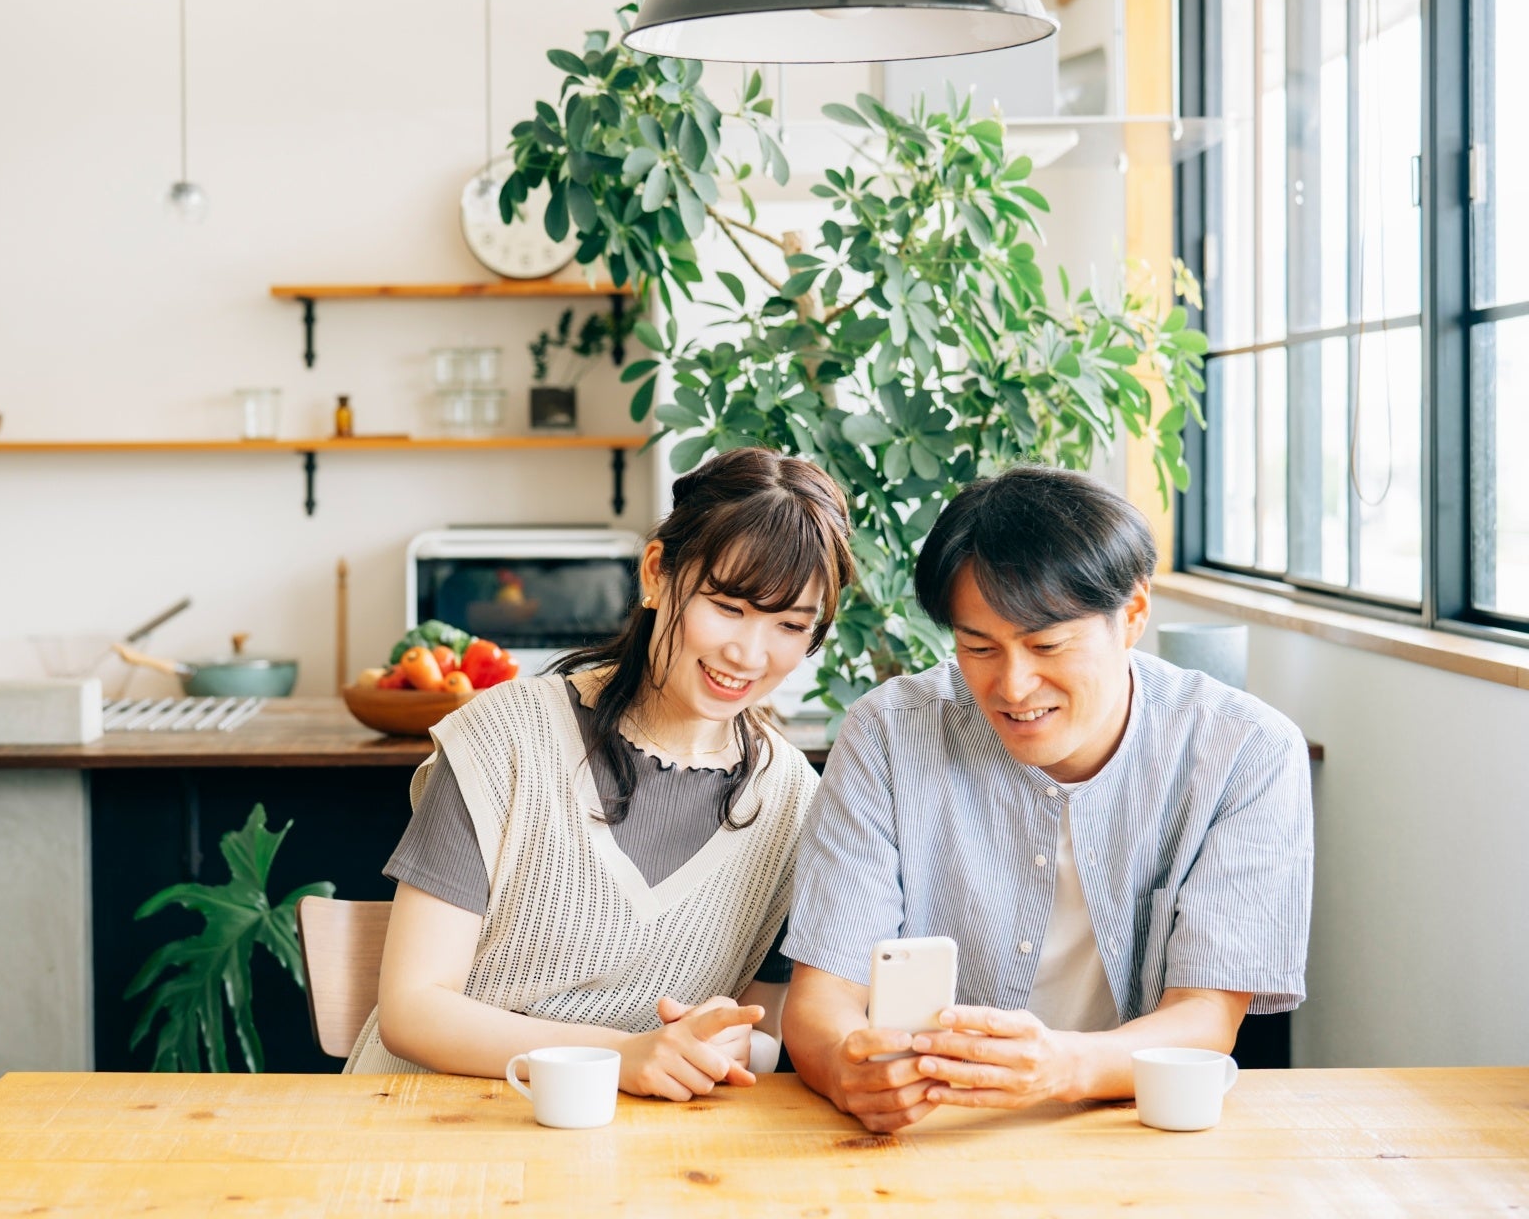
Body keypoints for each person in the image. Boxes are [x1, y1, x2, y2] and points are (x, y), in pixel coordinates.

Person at [780, 464, 1312, 1132]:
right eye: (978, 647)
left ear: (1134, 615)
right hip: (931, 1135)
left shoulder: (1247, 752)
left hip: (1127, 1128)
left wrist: (1063, 1066)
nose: (1013, 685)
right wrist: (846, 1069)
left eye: (1047, 644)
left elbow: (1206, 1015)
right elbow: (819, 1001)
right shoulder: (889, 735)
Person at [346, 447, 855, 1101]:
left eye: (789, 625)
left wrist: (724, 1043)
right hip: (424, 1135)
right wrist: (624, 1056)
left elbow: (761, 1033)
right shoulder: (507, 736)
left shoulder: (793, 805)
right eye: (728, 607)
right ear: (656, 575)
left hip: (628, 1163)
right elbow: (413, 1011)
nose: (749, 653)